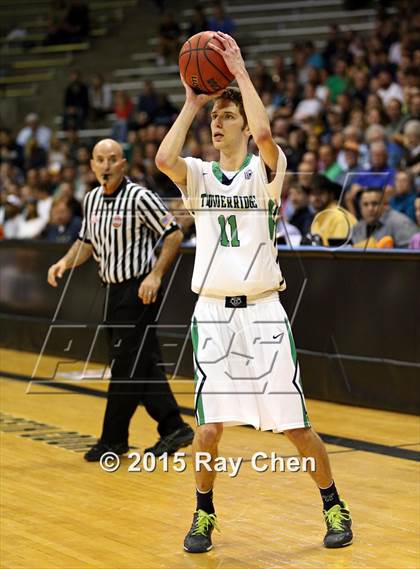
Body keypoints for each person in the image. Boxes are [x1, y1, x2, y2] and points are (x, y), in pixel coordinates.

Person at [156, 32, 353, 553]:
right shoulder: (198, 175)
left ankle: (334, 504)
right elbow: (162, 158)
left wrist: (239, 75)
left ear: (243, 123)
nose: (217, 125)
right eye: (214, 120)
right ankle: (203, 516)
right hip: (213, 313)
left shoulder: (265, 170)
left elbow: (266, 134)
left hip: (263, 311)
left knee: (294, 427)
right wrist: (193, 101)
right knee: (208, 430)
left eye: (227, 117)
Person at [47, 138, 194, 461]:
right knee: (141, 364)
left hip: (139, 289)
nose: (107, 166)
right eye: (100, 159)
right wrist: (63, 263)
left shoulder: (139, 197)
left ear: (123, 164)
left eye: (113, 159)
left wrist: (155, 275)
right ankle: (173, 427)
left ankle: (113, 440)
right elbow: (86, 242)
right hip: (112, 291)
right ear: (92, 165)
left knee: (125, 366)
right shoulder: (91, 200)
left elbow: (173, 233)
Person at [352, 187, 417, 248]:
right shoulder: (357, 227)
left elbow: (411, 254)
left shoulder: (401, 223)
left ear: (385, 205)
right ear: (360, 207)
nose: (370, 208)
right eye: (365, 204)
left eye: (374, 204)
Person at [309, 174, 357, 246]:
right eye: (313, 193)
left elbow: (340, 252)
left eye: (320, 193)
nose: (316, 198)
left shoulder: (339, 216)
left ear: (331, 195)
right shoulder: (317, 217)